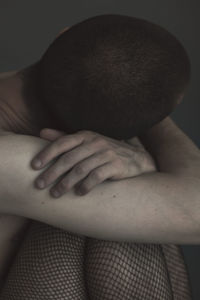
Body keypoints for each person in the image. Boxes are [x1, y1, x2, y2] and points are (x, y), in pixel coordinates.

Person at [0, 14, 199, 299]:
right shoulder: (10, 157)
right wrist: (150, 124)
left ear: (60, 35)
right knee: (93, 184)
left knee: (97, 175)